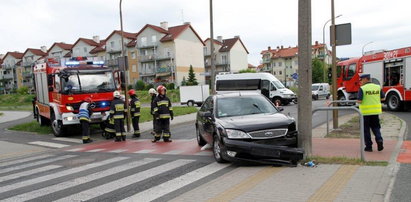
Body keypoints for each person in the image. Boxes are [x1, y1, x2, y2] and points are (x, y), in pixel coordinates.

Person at [357, 74, 385, 152]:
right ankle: (379, 140)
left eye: (361, 80)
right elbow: (383, 98)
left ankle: (369, 147)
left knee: (366, 130)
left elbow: (359, 101)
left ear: (366, 79)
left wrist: (357, 101)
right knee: (376, 128)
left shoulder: (362, 88)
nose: (361, 81)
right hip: (375, 112)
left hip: (365, 113)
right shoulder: (377, 87)